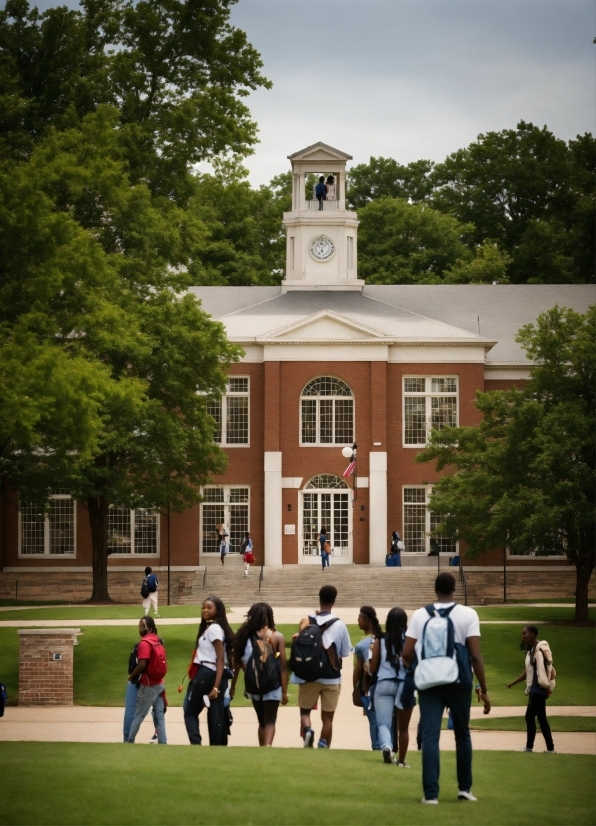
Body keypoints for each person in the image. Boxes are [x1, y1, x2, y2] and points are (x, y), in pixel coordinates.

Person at [402, 572, 491, 804]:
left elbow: (407, 653)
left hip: (430, 683)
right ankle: (464, 789)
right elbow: (475, 656)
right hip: (459, 681)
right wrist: (484, 688)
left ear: (435, 589)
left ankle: (430, 794)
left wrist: (419, 667)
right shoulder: (468, 614)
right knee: (462, 734)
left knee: (430, 736)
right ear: (454, 589)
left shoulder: (421, 615)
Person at [292, 584, 352, 749]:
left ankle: (308, 730)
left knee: (305, 712)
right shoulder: (339, 625)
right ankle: (324, 743)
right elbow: (345, 652)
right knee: (328, 718)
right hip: (331, 676)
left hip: (308, 674)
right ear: (333, 601)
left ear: (319, 599)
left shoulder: (306, 621)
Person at [230, 602, 288, 746]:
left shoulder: (244, 638)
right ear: (269, 616)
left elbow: (241, 664)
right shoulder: (277, 637)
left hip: (254, 685)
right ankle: (267, 747)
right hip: (273, 685)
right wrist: (284, 692)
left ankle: (262, 749)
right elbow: (282, 666)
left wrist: (237, 685)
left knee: (261, 721)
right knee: (270, 721)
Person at [183, 596, 234, 745]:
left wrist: (216, 687)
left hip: (207, 673)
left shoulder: (214, 629)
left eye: (209, 607)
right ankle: (216, 746)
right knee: (215, 714)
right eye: (203, 607)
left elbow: (219, 659)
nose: (205, 610)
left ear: (217, 610)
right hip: (213, 674)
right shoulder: (212, 628)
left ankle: (196, 744)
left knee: (190, 712)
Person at [370, 607, 415, 766]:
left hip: (384, 683)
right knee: (403, 728)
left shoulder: (380, 640)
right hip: (404, 684)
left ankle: (387, 746)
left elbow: (373, 668)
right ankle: (401, 760)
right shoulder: (410, 640)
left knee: (383, 723)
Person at [507, 625, 556, 754]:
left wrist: (548, 685)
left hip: (539, 689)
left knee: (529, 717)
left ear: (533, 634)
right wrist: (514, 682)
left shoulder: (540, 649)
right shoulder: (531, 651)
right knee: (541, 718)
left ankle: (529, 747)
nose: (522, 636)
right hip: (534, 689)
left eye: (525, 634)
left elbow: (550, 668)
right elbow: (528, 672)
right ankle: (550, 748)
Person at [125, 617, 167, 744]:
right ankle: (163, 743)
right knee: (159, 718)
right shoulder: (158, 641)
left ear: (147, 628)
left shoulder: (144, 643)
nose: (140, 629)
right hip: (159, 684)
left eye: (141, 627)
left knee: (139, 715)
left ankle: (129, 741)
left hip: (148, 685)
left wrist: (131, 676)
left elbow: (142, 664)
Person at [353, 606, 382, 751]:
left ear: (367, 620)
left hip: (367, 687)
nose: (357, 621)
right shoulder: (382, 638)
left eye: (359, 618)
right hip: (384, 682)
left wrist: (355, 689)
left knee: (374, 721)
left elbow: (358, 670)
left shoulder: (361, 645)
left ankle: (377, 747)